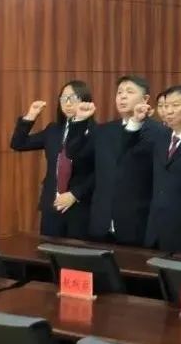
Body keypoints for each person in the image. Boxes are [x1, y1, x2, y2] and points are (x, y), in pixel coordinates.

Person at [65, 76, 166, 245]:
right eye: (119, 92)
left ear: (145, 99)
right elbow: (74, 153)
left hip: (137, 224)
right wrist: (80, 122)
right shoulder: (104, 131)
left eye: (129, 92)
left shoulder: (158, 132)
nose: (122, 96)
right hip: (100, 223)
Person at [123, 86, 181, 253]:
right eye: (165, 106)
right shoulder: (160, 136)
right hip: (155, 227)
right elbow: (130, 151)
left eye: (175, 105)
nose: (168, 111)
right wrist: (136, 121)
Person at [10, 80, 95, 238]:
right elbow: (18, 144)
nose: (68, 103)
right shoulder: (53, 130)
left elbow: (99, 172)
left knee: (76, 252)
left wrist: (75, 194)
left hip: (80, 207)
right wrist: (31, 116)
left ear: (86, 101)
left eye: (73, 98)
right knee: (48, 250)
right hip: (52, 206)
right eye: (64, 98)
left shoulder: (96, 132)